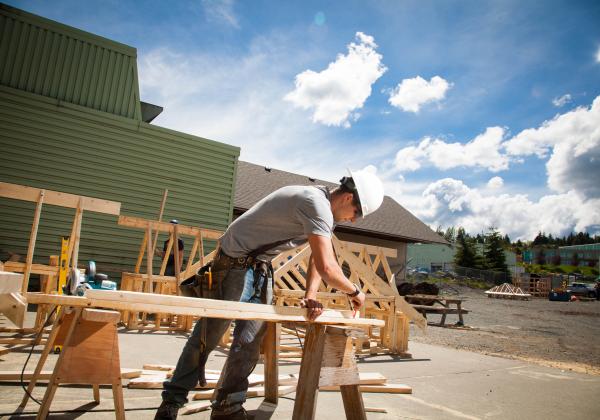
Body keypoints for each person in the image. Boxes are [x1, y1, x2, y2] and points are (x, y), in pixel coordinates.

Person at [155, 169, 385, 420]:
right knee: (208, 335)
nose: (353, 221)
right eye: (356, 215)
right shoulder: (314, 202)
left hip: (260, 267)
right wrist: (355, 291)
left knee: (249, 343)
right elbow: (328, 268)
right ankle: (171, 403)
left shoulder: (326, 212)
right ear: (348, 199)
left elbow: (319, 260)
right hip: (233, 263)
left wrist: (310, 295)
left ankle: (227, 408)